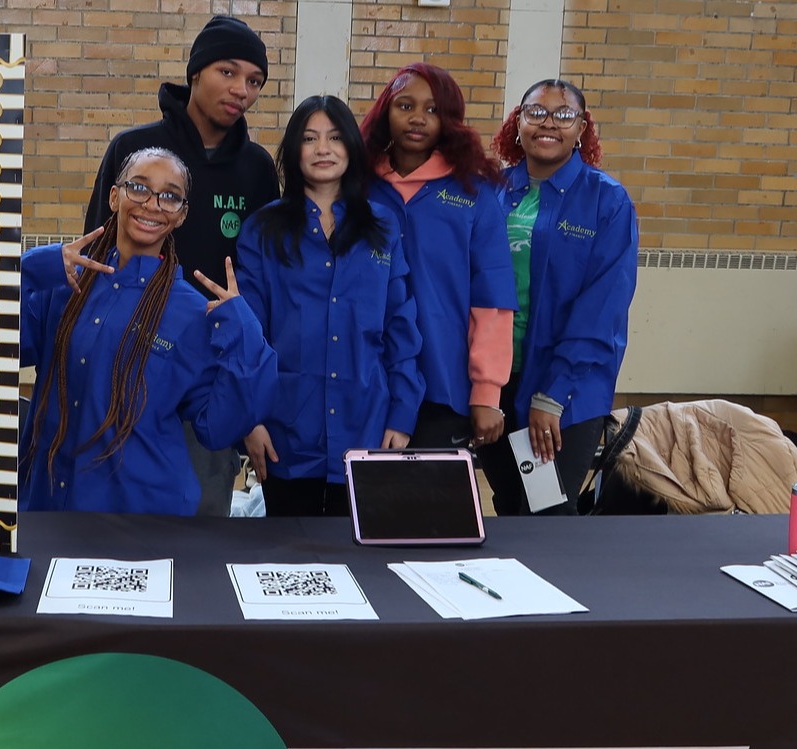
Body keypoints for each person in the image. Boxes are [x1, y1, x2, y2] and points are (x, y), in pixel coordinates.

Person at [80, 15, 280, 517]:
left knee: (194, 535)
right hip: (117, 370)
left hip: (204, 383)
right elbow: (94, 255)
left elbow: (256, 291)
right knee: (97, 522)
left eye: (254, 81)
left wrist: (249, 411)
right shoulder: (134, 149)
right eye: (228, 72)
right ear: (195, 73)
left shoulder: (255, 169)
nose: (242, 90)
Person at [23, 146, 276, 515]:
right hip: (46, 506)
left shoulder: (192, 313)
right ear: (114, 196)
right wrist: (33, 267)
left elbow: (220, 426)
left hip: (141, 519)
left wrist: (244, 330)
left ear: (182, 214)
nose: (153, 204)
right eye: (138, 188)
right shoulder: (63, 285)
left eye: (170, 196)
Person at [236, 95, 423, 517]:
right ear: (293, 150)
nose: (323, 149)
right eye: (310, 138)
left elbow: (400, 324)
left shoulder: (382, 225)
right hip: (285, 429)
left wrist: (402, 414)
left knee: (360, 559)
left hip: (367, 423)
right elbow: (247, 335)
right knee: (290, 560)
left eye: (336, 137)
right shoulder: (263, 230)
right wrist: (251, 421)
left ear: (352, 148)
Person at [478, 78, 638, 514]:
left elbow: (603, 307)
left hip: (564, 386)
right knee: (511, 502)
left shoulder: (606, 201)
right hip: (497, 381)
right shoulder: (491, 190)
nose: (549, 123)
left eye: (564, 114)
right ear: (517, 123)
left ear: (583, 128)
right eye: (536, 112)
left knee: (548, 512)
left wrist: (553, 395)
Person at [360, 62, 517, 452]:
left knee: (431, 506)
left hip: (443, 382)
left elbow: (492, 299)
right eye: (405, 106)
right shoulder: (358, 186)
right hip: (366, 376)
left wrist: (486, 391)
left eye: (433, 110)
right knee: (366, 504)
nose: (418, 119)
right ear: (385, 113)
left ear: (451, 120)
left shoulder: (475, 194)